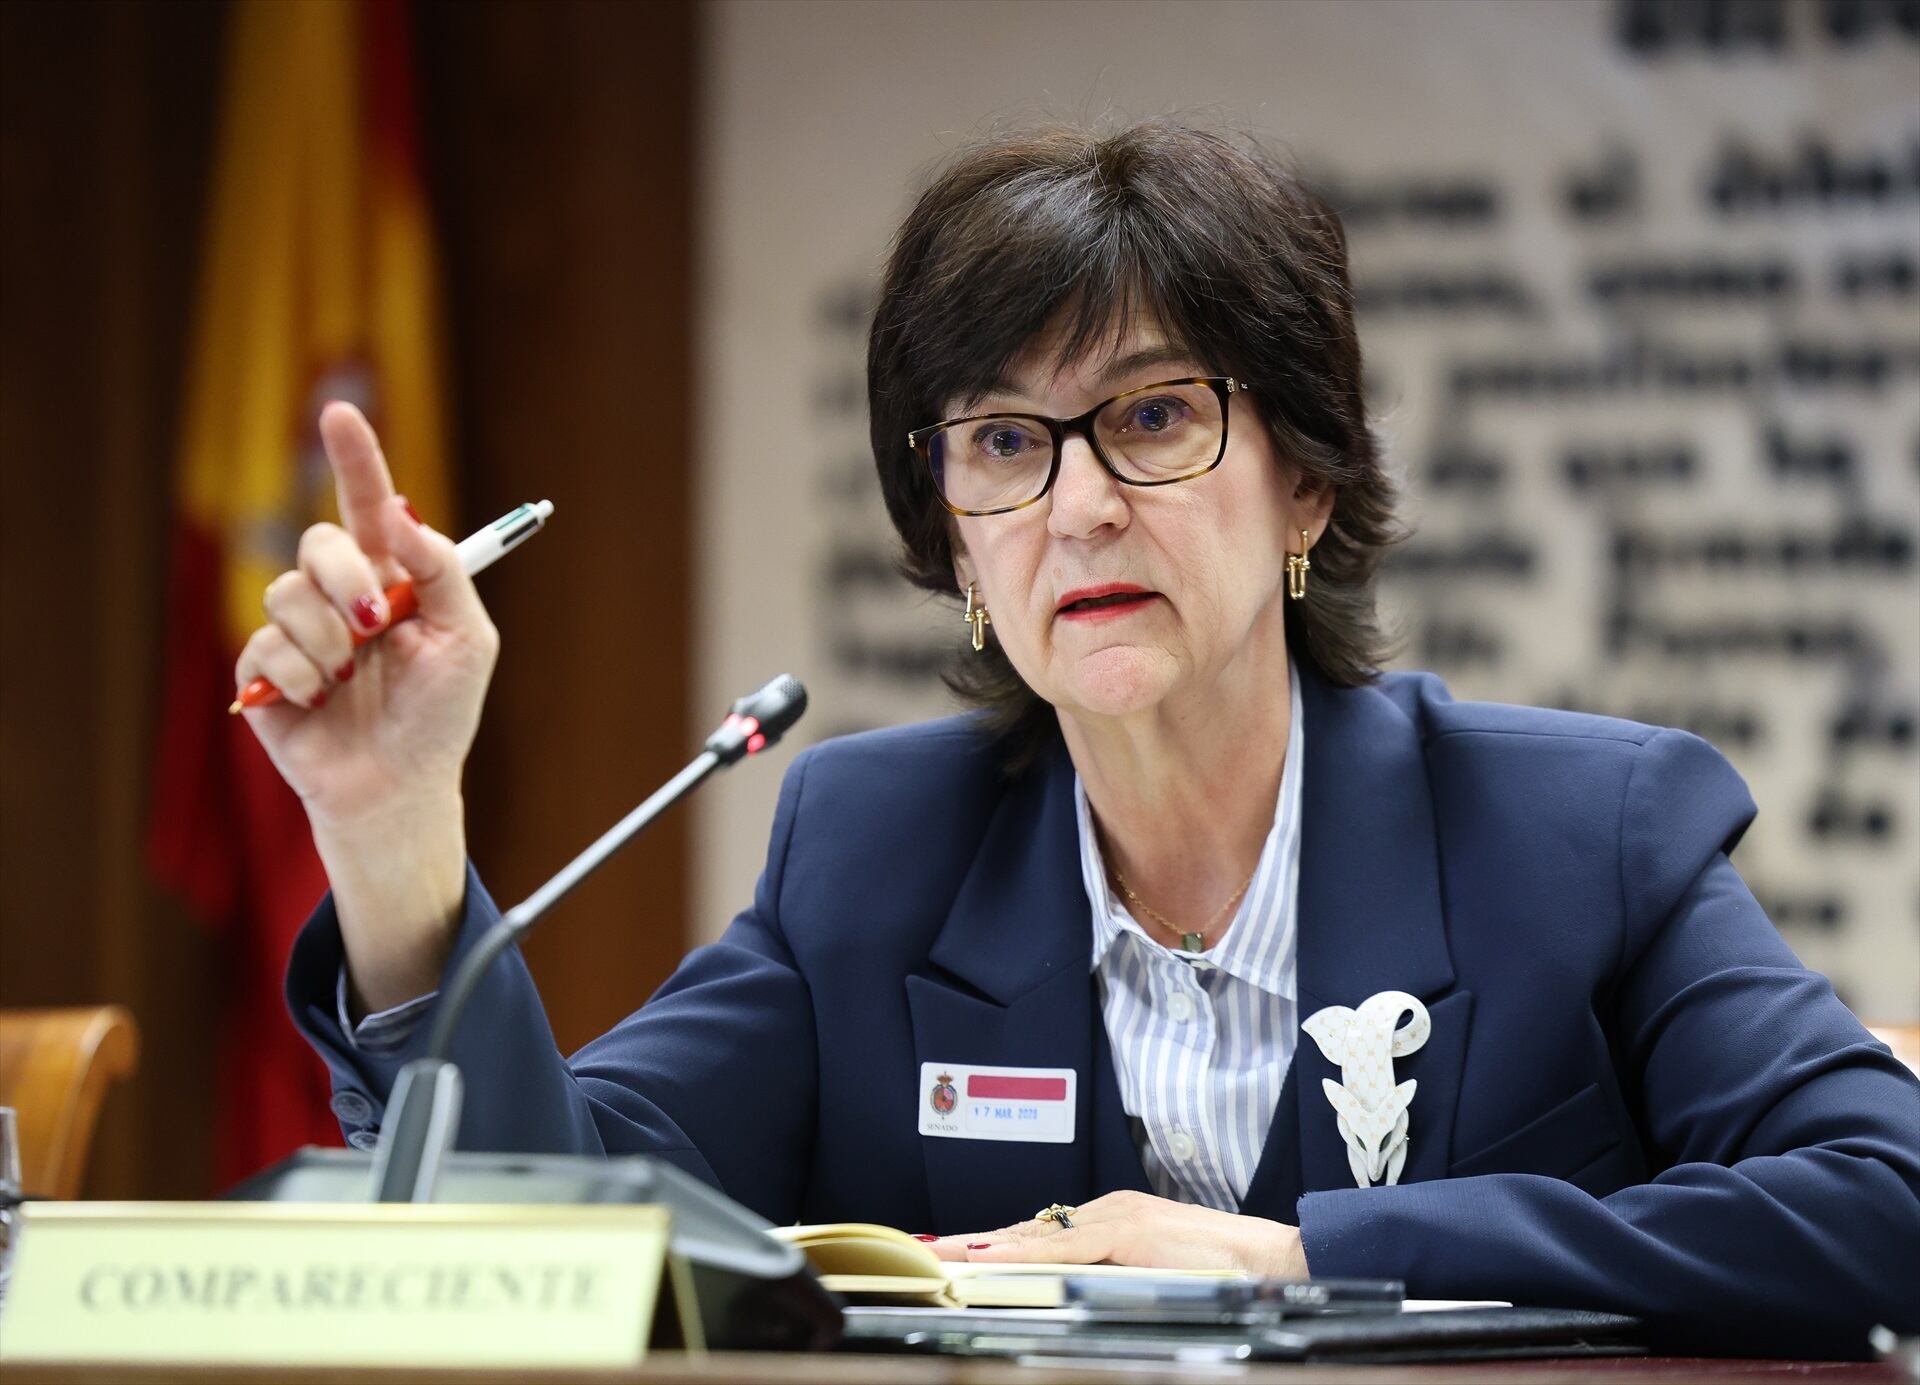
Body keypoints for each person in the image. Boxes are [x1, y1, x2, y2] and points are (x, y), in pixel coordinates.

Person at [244, 121, 1919, 1356]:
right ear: (957, 538)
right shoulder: (875, 857)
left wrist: (1294, 1252)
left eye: (1156, 415)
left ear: (1308, 486)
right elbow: (542, 1233)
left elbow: (1883, 1194)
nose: (1081, 505)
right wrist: (397, 831)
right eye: (1002, 442)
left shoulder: (1577, 833)